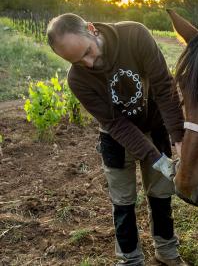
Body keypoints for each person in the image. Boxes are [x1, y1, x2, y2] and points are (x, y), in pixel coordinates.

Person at [46, 13, 187, 266]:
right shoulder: (77, 79)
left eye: (88, 51)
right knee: (123, 202)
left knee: (161, 194)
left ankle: (166, 252)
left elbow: (164, 87)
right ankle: (130, 260)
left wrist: (179, 138)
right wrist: (156, 159)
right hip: (117, 139)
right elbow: (115, 123)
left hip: (155, 127)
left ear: (92, 29)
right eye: (77, 61)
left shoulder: (134, 35)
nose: (89, 63)